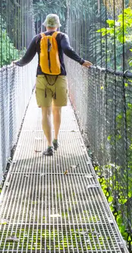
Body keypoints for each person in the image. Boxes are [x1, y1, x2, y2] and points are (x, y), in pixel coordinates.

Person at [14, 14, 92, 156]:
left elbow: (27, 58)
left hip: (42, 77)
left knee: (45, 112)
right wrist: (81, 61)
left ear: (45, 25)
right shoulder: (61, 36)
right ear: (57, 25)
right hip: (59, 77)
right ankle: (56, 139)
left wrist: (16, 64)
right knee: (57, 110)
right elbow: (67, 50)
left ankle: (49, 146)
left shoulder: (38, 38)